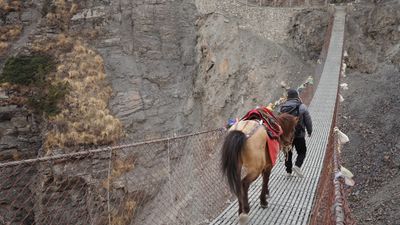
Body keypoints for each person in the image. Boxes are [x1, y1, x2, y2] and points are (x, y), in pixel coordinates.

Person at [279, 88, 312, 178]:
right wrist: (309, 131)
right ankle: (297, 166)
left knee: (287, 153)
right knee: (302, 152)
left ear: (288, 97)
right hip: (299, 134)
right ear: (297, 96)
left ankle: (288, 172)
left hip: (286, 135)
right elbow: (308, 120)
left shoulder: (282, 107)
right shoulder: (302, 106)